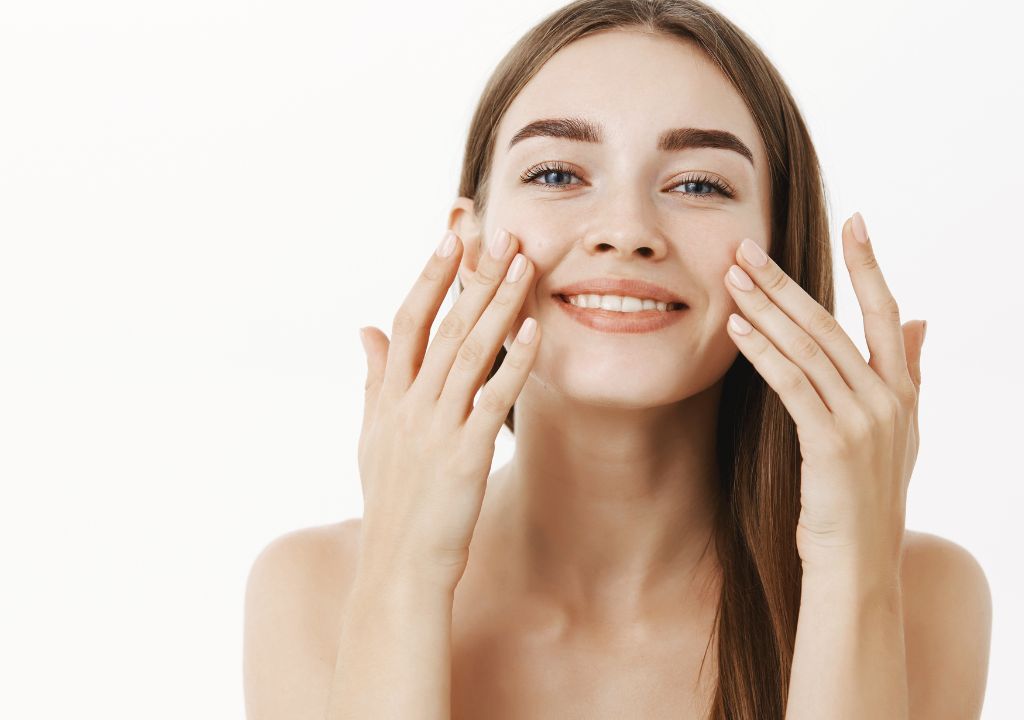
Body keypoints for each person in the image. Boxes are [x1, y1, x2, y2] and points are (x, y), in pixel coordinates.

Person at [243, 1, 992, 718]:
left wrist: (848, 570)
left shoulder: (922, 594)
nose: (626, 230)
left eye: (699, 184)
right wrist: (403, 574)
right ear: (466, 245)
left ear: (782, 252)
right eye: (557, 174)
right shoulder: (314, 589)